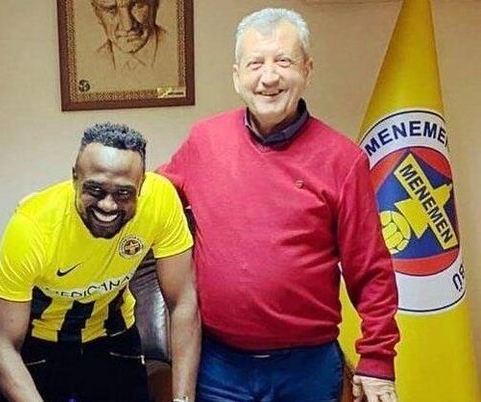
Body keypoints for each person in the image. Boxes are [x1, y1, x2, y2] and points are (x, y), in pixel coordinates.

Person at [158, 8, 400, 402]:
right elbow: (151, 198)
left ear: (307, 70)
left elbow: (371, 270)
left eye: (283, 61)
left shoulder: (344, 160)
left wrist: (377, 360)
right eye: (255, 64)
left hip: (307, 367)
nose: (269, 77)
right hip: (219, 365)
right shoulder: (205, 141)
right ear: (237, 76)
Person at [0, 122, 200, 402]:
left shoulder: (160, 200)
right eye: (95, 190)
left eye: (123, 193)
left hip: (113, 336)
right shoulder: (31, 227)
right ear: (75, 178)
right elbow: (1, 345)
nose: (108, 205)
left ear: (141, 186)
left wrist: (183, 400)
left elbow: (183, 302)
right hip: (40, 345)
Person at [90, 0, 167, 73]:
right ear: (97, 13)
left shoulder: (172, 48)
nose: (128, 26)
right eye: (111, 10)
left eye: (137, 5)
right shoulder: (92, 63)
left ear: (156, 2)